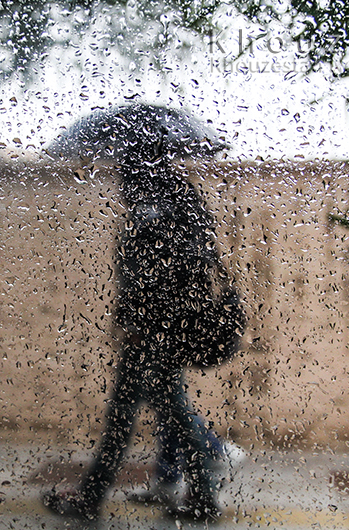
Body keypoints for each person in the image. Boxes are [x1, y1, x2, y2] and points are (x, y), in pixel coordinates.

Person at [43, 112, 232, 522]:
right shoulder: (172, 198)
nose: (121, 175)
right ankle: (196, 492)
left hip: (156, 330)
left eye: (127, 165)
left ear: (142, 165)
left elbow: (163, 273)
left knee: (147, 414)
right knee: (157, 412)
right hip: (156, 327)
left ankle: (191, 492)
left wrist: (141, 323)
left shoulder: (160, 206)